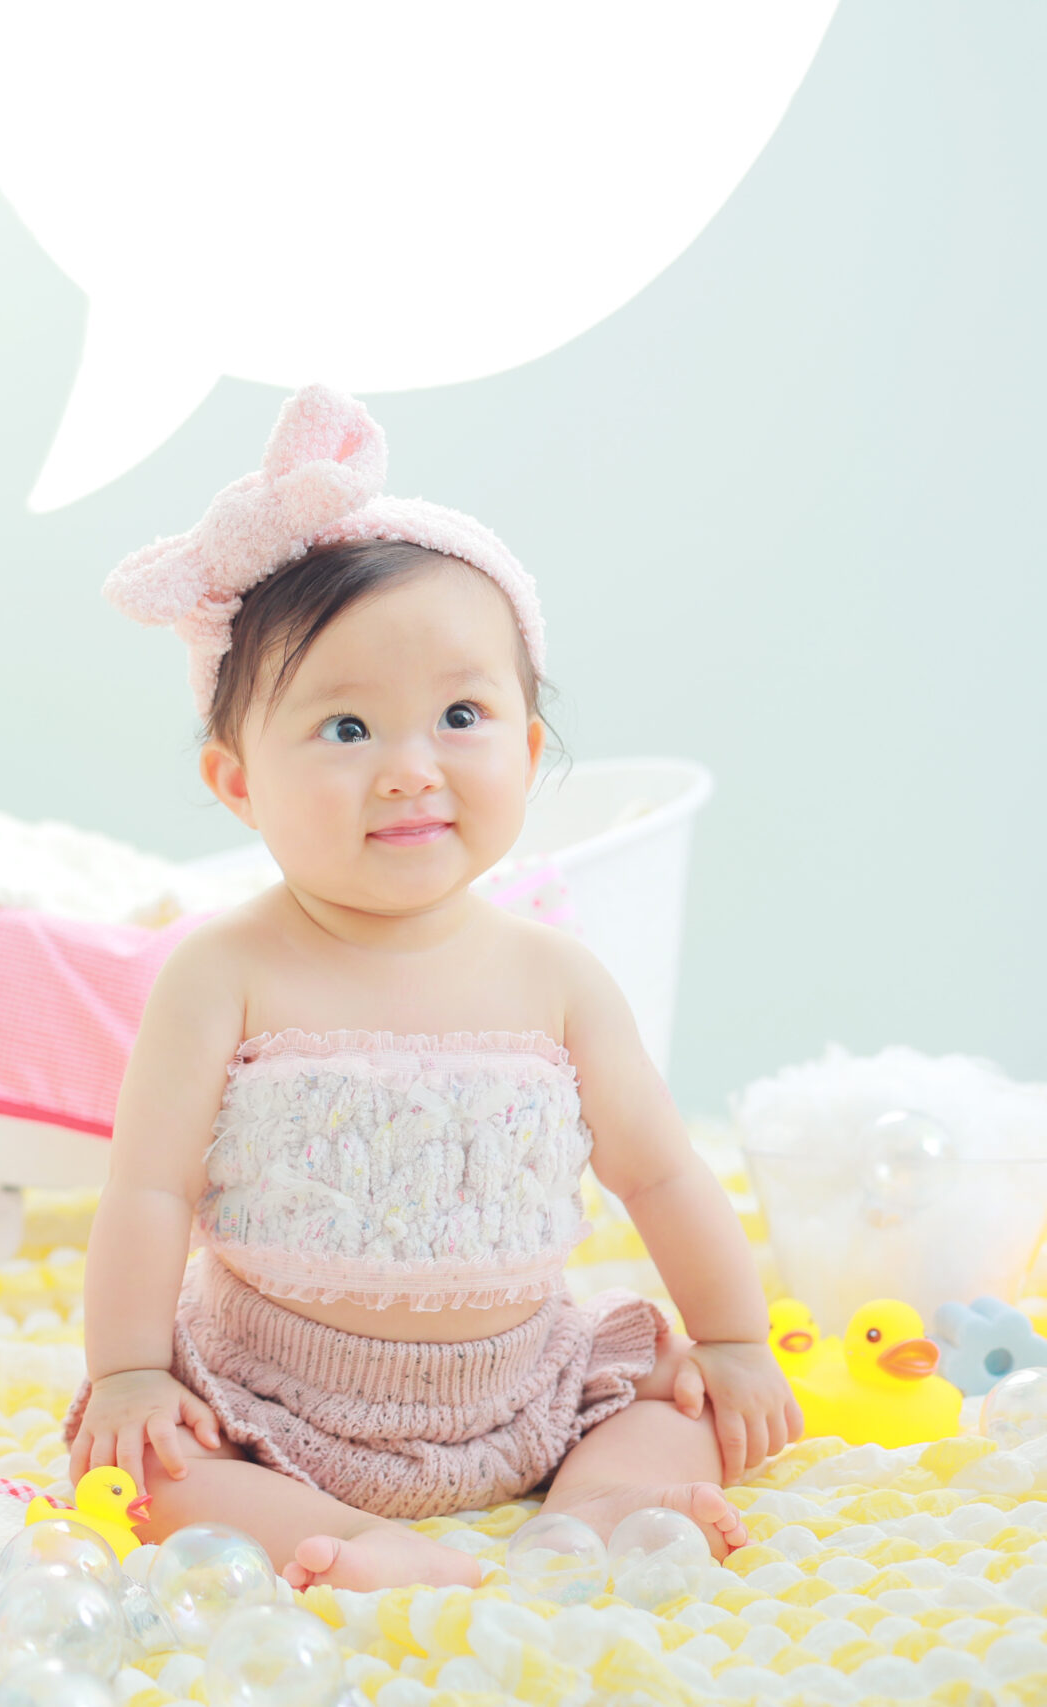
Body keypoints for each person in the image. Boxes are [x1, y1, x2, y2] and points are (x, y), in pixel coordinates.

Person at [68, 386, 799, 1591]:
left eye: (459, 715)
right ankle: (357, 1544)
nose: (409, 770)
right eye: (345, 729)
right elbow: (148, 1189)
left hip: (527, 1387)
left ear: (525, 749)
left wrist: (731, 1339)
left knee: (679, 1396)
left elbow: (662, 1175)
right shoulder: (222, 972)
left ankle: (598, 1503)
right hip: (273, 1400)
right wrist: (132, 1374)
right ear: (236, 781)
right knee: (146, 1472)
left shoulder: (555, 979)